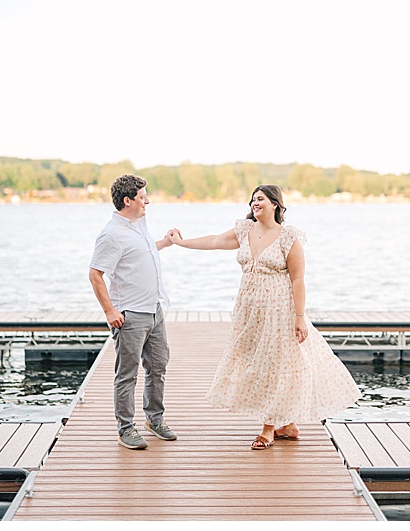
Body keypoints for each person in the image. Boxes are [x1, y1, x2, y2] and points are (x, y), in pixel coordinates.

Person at [167, 185, 360, 450]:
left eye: (261, 199)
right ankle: (287, 424)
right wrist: (180, 242)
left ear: (275, 204)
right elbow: (213, 241)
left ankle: (268, 428)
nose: (255, 203)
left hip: (278, 309)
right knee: (254, 362)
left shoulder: (288, 236)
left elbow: (298, 279)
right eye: (253, 199)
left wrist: (299, 316)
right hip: (249, 310)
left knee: (275, 364)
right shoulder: (245, 230)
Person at [89, 174, 180, 450]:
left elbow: (143, 252)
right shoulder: (110, 235)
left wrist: (164, 242)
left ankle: (154, 419)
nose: (147, 201)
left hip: (154, 308)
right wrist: (109, 311)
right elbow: (95, 274)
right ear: (127, 201)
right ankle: (125, 428)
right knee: (127, 374)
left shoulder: (139, 223)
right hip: (130, 314)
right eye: (142, 197)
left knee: (158, 366)